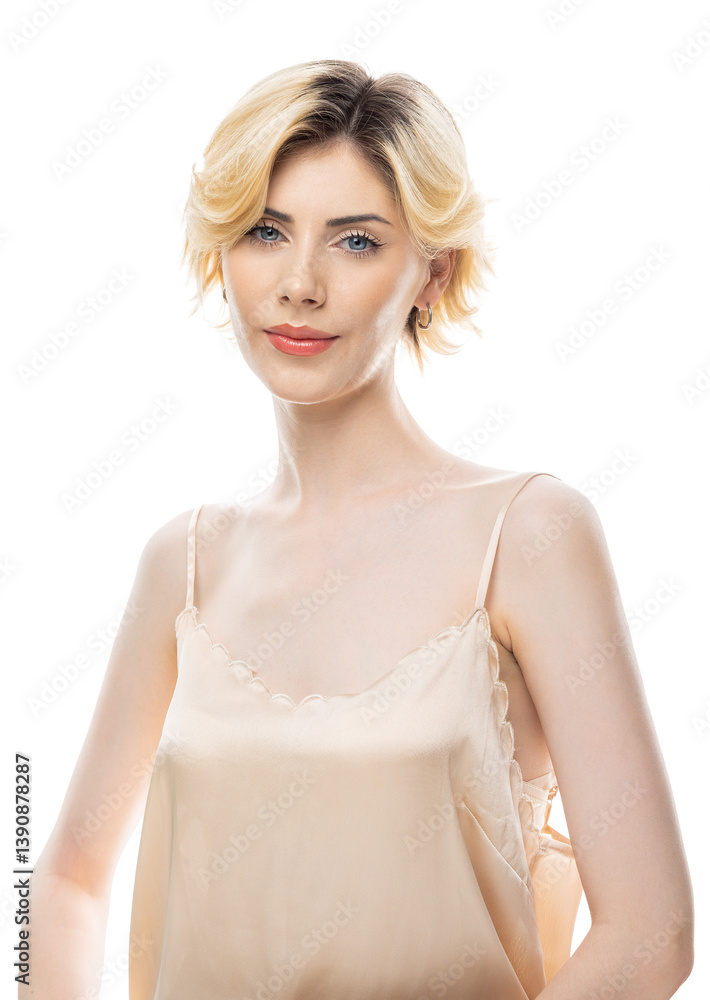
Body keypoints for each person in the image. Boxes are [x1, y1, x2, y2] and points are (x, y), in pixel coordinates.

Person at [22, 59, 693, 1000]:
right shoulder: (184, 563)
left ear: (433, 272)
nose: (299, 284)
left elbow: (653, 934)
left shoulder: (527, 536)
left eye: (356, 241)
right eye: (265, 231)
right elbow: (61, 879)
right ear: (222, 251)